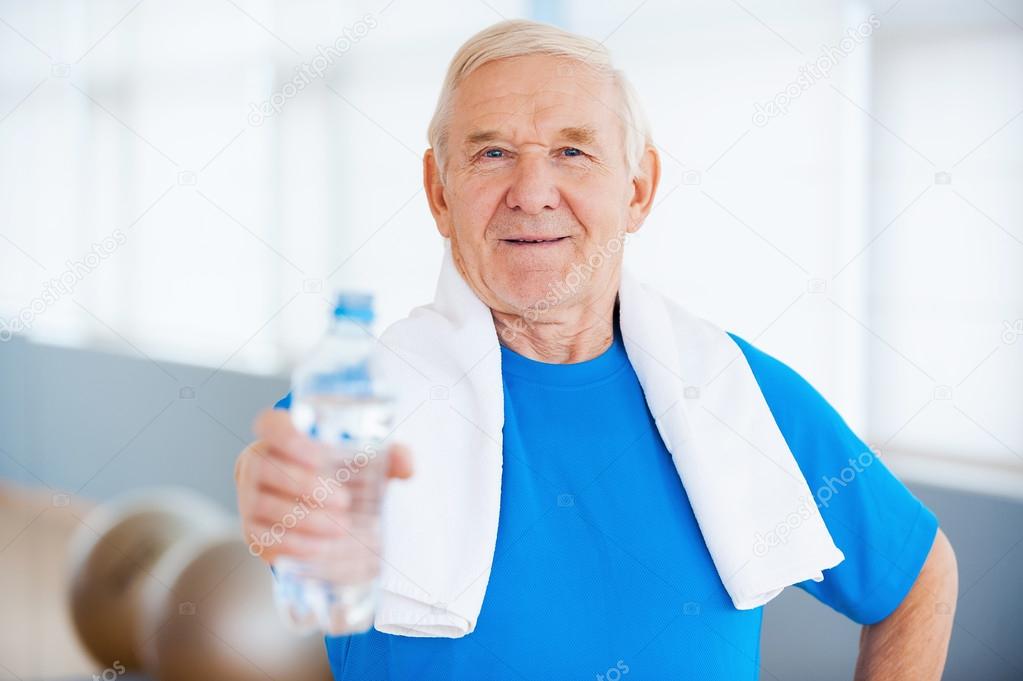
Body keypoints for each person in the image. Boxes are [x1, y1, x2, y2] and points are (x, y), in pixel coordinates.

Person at [235, 19, 957, 680]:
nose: (532, 190)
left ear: (637, 188)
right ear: (438, 192)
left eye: (571, 151)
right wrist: (278, 505)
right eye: (491, 153)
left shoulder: (737, 393)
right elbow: (284, 499)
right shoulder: (358, 402)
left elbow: (917, 577)